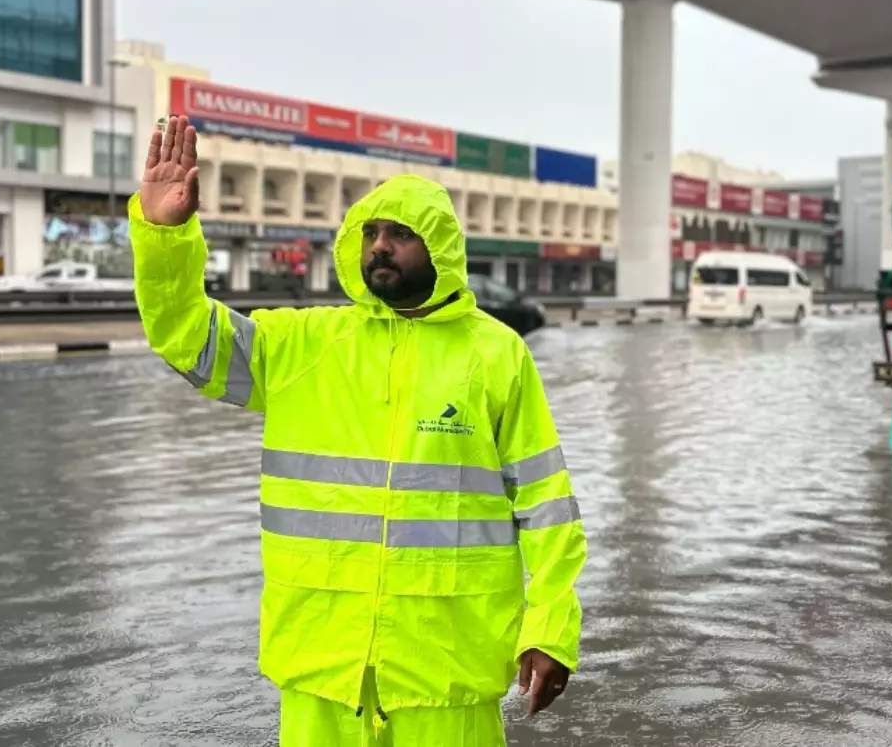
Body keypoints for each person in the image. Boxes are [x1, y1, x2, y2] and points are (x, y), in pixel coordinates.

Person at [130, 116, 586, 746]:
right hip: (323, 663)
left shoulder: (496, 355)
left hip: (446, 668)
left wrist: (550, 627)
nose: (380, 246)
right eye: (371, 232)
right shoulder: (307, 344)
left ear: (441, 249)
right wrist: (165, 233)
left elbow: (547, 506)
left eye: (401, 234)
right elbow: (187, 337)